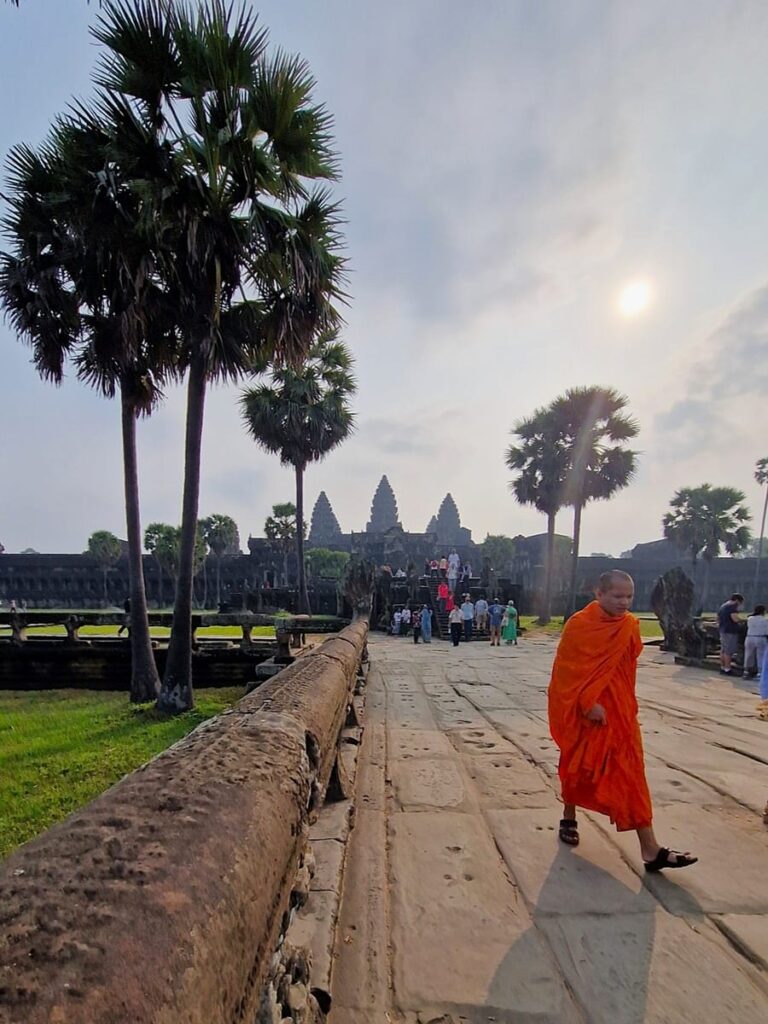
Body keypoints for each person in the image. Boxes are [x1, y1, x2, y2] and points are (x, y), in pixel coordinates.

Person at [548, 569, 697, 871]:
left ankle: (650, 848)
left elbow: (626, 668)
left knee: (631, 773)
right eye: (617, 596)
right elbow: (566, 674)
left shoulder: (629, 626)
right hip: (587, 716)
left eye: (629, 596)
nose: (624, 602)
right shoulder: (580, 625)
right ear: (598, 593)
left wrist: (618, 705)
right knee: (577, 766)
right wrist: (588, 702)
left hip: (620, 713)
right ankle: (569, 816)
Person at [717, 592, 744, 675]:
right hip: (730, 631)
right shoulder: (732, 607)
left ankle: (722, 667)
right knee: (729, 651)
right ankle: (728, 669)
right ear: (737, 600)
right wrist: (743, 620)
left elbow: (717, 618)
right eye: (740, 603)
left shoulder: (723, 606)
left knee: (723, 650)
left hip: (723, 630)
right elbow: (735, 619)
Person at [744, 604, 768, 679]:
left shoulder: (750, 619)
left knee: (748, 655)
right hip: (760, 637)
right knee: (761, 655)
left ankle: (746, 671)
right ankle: (760, 673)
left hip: (750, 637)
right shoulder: (764, 620)